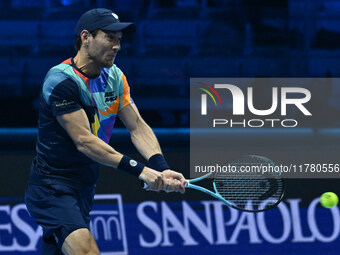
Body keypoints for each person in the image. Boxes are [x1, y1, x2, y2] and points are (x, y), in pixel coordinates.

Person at [25, 8, 186, 255]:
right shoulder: (61, 81)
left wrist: (161, 166)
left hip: (85, 184)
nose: (117, 46)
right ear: (86, 37)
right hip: (51, 185)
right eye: (110, 37)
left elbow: (137, 126)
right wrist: (141, 171)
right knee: (87, 251)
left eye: (119, 39)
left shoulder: (115, 77)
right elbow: (84, 141)